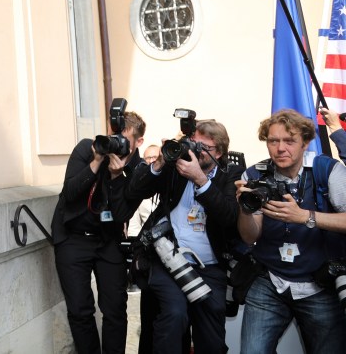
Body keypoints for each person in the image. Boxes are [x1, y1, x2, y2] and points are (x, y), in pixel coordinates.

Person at [125, 119, 242, 354]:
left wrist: (200, 179)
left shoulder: (230, 174)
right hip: (168, 259)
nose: (196, 151)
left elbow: (229, 216)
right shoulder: (177, 169)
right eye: (194, 143)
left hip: (210, 266)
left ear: (219, 152)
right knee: (174, 314)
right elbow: (135, 190)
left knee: (211, 337)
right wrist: (160, 162)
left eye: (204, 147)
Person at [236, 109, 346, 353]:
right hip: (270, 281)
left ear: (305, 143)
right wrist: (245, 209)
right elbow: (250, 236)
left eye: (289, 141)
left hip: (319, 284)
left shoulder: (327, 170)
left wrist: (305, 217)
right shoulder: (254, 174)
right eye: (273, 141)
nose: (280, 148)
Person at [51, 111, 146, 354]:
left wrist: (116, 177)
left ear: (138, 142)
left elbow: (121, 214)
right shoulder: (88, 149)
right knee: (80, 310)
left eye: (124, 140)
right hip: (72, 237)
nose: (117, 144)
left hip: (108, 240)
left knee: (115, 309)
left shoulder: (137, 169)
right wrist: (95, 163)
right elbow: (70, 193)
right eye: (115, 137)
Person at [127, 144, 161, 238]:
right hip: (147, 240)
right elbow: (134, 227)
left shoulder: (170, 183)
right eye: (148, 158)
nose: (151, 160)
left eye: (155, 157)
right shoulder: (138, 188)